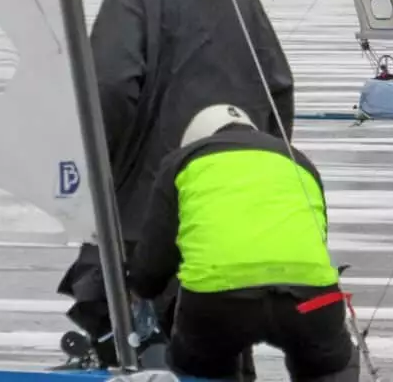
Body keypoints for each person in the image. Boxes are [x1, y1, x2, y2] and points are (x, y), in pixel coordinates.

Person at [56, 0, 296, 369]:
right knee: (220, 330)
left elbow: (108, 89)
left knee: (135, 329)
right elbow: (279, 93)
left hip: (144, 208)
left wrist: (95, 175)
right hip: (234, 204)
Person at [128, 104, 359, 382]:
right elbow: (316, 234)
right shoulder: (298, 160)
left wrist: (141, 287)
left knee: (202, 367)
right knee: (331, 365)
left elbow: (155, 257)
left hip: (218, 304)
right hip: (310, 299)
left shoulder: (182, 161)